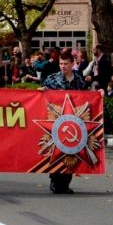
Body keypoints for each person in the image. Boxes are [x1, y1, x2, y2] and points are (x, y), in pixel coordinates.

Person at [39, 51, 86, 194]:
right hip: (56, 122)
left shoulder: (78, 79)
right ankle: (54, 181)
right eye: (61, 63)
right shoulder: (52, 79)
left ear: (72, 64)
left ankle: (65, 183)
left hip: (73, 122)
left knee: (71, 153)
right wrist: (41, 92)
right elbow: (43, 96)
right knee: (57, 152)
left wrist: (99, 93)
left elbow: (86, 96)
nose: (63, 66)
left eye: (66, 63)